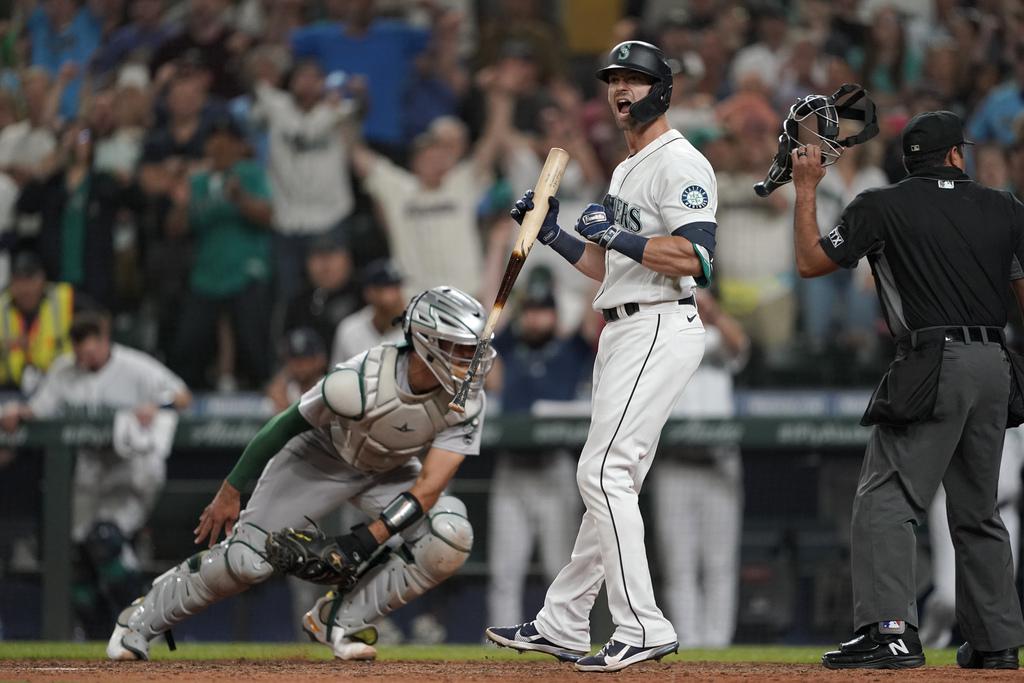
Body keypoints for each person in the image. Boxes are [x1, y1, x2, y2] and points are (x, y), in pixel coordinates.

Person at [486, 41, 715, 672]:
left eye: (635, 80)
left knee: (603, 473)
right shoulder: (624, 169)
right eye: (614, 80)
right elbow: (609, 266)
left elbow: (696, 259)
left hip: (660, 326)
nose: (621, 90)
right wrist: (553, 231)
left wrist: (619, 233)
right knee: (614, 480)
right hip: (623, 326)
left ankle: (642, 624)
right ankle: (563, 622)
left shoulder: (681, 163)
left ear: (662, 89)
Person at [107, 286, 491, 662]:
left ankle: (337, 620)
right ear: (424, 342)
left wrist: (362, 541)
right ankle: (138, 621)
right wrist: (231, 490)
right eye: (460, 348)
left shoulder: (467, 401)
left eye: (473, 349)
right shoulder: (361, 381)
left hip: (388, 471)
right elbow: (282, 426)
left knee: (449, 536)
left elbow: (427, 488)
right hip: (320, 458)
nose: (471, 360)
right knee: (245, 563)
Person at [789, 110, 1024, 669]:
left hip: (934, 358)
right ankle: (996, 643)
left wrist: (805, 190)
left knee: (886, 497)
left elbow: (810, 262)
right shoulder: (1007, 208)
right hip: (995, 363)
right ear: (955, 156)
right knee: (979, 509)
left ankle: (890, 631)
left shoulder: (882, 205)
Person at [1, 310, 191, 638]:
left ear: (105, 341)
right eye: (80, 353)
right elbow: (41, 410)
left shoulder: (135, 366)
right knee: (73, 557)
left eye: (92, 351)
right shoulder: (65, 369)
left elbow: (182, 395)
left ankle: (147, 628)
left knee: (105, 540)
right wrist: (18, 411)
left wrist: (157, 406)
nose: (86, 359)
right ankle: (99, 638)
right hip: (90, 473)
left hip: (132, 469)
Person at [486, 283, 593, 629]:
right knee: (504, 571)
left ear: (555, 315)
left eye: (542, 311)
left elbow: (592, 321)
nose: (535, 318)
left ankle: (563, 636)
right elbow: (484, 334)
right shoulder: (507, 347)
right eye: (529, 311)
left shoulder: (569, 349)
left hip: (555, 467)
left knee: (558, 567)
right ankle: (498, 652)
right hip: (512, 469)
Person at [652, 288, 748, 648]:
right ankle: (687, 647)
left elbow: (742, 346)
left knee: (720, 565)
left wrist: (714, 311)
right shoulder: (662, 334)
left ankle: (718, 648)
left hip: (719, 462)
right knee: (678, 566)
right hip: (674, 462)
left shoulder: (719, 336)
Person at [167, 117, 273, 390]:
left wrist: (241, 198)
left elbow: (267, 216)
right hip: (207, 274)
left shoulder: (249, 173)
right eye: (214, 142)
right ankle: (186, 399)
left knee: (254, 342)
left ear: (239, 147)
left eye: (227, 142)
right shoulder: (198, 181)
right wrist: (180, 204)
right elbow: (175, 229)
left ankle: (266, 397)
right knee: (188, 343)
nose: (220, 148)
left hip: (245, 270)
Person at [251, 59, 361, 303]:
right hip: (287, 221)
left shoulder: (341, 111)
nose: (309, 83)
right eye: (302, 76)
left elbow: (361, 109)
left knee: (335, 297)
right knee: (288, 298)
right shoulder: (277, 108)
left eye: (315, 77)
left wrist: (356, 94)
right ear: (290, 81)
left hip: (330, 218)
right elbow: (257, 94)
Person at [920, 427, 1024, 648]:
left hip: (1004, 511)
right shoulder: (967, 395)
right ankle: (930, 641)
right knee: (950, 597)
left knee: (1001, 596)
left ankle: (989, 652)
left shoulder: (1018, 404)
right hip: (955, 505)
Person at [0, 252, 74, 393]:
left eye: (31, 280)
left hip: (58, 387)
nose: (25, 289)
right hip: (7, 389)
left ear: (42, 280)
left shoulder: (63, 298)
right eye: (19, 281)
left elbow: (98, 321)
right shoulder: (2, 304)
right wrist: (4, 345)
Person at [283, 232, 362, 356]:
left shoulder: (366, 293)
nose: (325, 265)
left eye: (332, 254)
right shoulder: (298, 305)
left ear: (348, 259)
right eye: (318, 256)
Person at [331, 259, 406, 365]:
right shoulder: (349, 330)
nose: (396, 296)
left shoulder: (415, 329)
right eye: (387, 288)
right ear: (369, 293)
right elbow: (335, 377)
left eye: (397, 288)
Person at [265, 327, 329, 413]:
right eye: (295, 359)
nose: (299, 365)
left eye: (305, 359)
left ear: (319, 360)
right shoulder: (285, 390)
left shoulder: (328, 385)